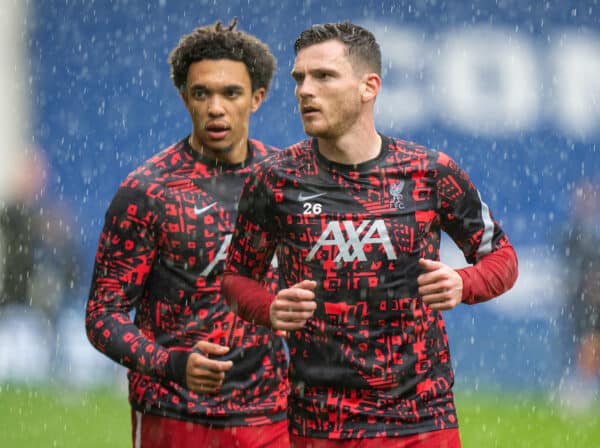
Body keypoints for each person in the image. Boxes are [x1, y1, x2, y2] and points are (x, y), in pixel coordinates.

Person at [223, 21, 519, 447]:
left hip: (422, 419)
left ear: (369, 87)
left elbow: (503, 256)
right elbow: (235, 278)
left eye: (323, 76)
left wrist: (463, 283)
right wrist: (267, 307)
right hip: (320, 424)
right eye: (299, 78)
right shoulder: (274, 181)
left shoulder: (430, 173)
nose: (304, 90)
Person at [85, 19, 290, 448]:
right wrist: (173, 364)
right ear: (184, 98)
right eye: (202, 93)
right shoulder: (147, 192)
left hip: (269, 416)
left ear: (257, 98)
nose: (216, 107)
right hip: (173, 412)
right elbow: (103, 316)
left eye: (230, 93)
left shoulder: (287, 182)